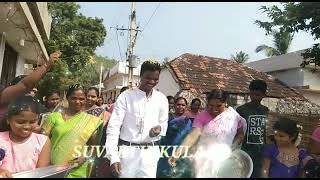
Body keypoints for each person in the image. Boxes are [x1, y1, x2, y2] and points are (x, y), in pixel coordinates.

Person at [105, 60, 169, 178]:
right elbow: (113, 128)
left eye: (155, 79)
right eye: (148, 78)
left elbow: (163, 123)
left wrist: (159, 129)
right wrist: (113, 157)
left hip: (150, 153)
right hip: (127, 153)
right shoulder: (126, 97)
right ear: (140, 76)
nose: (151, 82)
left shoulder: (161, 99)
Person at [168, 89, 247, 177]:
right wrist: (177, 154)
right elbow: (193, 135)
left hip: (224, 160)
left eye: (218, 106)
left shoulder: (233, 116)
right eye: (211, 105)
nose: (214, 109)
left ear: (225, 103)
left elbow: (240, 134)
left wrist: (233, 146)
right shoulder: (202, 116)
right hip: (203, 161)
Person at [41, 84, 103, 178]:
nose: (77, 102)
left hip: (77, 170)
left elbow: (94, 147)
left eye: (81, 99)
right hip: (53, 168)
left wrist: (84, 157)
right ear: (67, 98)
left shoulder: (90, 121)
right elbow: (41, 142)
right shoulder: (54, 117)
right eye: (74, 98)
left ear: (85, 99)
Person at [0, 51, 61, 131]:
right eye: (28, 91)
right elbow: (25, 85)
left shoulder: (34, 107)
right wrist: (46, 66)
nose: (31, 94)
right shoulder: (5, 98)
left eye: (33, 91)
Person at [0, 96, 51, 178]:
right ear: (8, 120)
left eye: (32, 122)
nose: (27, 126)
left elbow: (42, 173)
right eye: (20, 122)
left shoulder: (42, 141)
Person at [236, 79, 269, 178]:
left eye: (258, 95)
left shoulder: (265, 110)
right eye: (252, 94)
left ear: (264, 95)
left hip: (260, 151)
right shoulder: (241, 110)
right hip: (245, 150)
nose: (254, 97)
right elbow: (238, 130)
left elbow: (264, 131)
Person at [157, 97, 193, 178]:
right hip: (166, 152)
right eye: (178, 105)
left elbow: (190, 138)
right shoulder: (166, 119)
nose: (181, 107)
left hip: (181, 153)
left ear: (186, 107)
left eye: (183, 105)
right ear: (174, 106)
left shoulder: (188, 121)